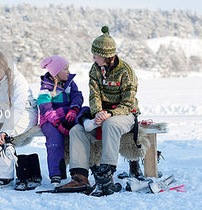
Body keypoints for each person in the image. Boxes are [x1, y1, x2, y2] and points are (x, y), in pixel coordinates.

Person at [57, 26, 142, 197]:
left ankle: (106, 175)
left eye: (95, 54)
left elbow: (128, 103)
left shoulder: (126, 72)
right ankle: (80, 177)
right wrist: (97, 113)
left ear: (105, 55)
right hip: (102, 114)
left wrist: (109, 114)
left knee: (110, 123)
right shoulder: (95, 69)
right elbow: (94, 95)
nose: (93, 57)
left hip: (124, 114)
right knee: (77, 130)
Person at [0, 52, 40, 190]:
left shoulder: (17, 79)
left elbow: (18, 108)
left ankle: (22, 171)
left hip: (26, 112)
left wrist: (4, 131)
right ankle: (5, 176)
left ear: (4, 67)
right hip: (5, 114)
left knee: (3, 134)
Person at [38, 55, 87, 187]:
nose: (68, 71)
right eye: (65, 69)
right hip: (50, 119)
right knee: (55, 139)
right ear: (56, 73)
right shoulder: (46, 87)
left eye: (68, 68)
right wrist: (57, 123)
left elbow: (77, 96)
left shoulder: (70, 83)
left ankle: (86, 121)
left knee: (85, 111)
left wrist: (74, 109)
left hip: (68, 115)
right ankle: (56, 174)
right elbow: (45, 107)